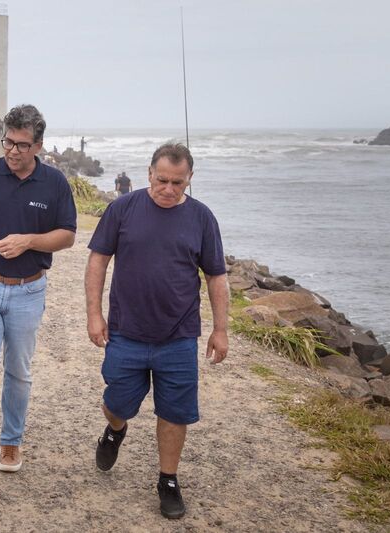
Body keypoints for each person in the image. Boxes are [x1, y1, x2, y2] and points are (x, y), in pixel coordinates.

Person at [84, 143, 228, 519]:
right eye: (162, 180)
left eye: (178, 183)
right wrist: (94, 315)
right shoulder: (122, 208)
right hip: (125, 332)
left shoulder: (202, 218)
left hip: (179, 336)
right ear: (149, 173)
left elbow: (216, 276)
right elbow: (98, 260)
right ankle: (115, 430)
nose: (168, 189)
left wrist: (221, 329)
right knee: (117, 404)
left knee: (175, 412)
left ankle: (168, 481)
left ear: (190, 178)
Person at [0, 104, 77, 487]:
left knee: (18, 372)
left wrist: (29, 241)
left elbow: (68, 235)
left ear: (38, 145)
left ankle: (10, 442)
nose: (12, 151)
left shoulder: (54, 183)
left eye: (22, 145)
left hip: (29, 291)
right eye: (8, 142)